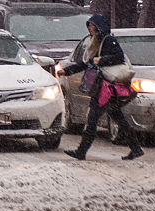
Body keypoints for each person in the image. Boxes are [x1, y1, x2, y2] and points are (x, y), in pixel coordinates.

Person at [60, 13, 143, 161]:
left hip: (106, 88)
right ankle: (136, 148)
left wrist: (101, 60)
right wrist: (66, 71)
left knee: (92, 119)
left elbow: (119, 57)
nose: (89, 28)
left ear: (99, 26)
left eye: (91, 25)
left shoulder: (108, 40)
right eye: (89, 26)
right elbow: (87, 64)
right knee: (119, 118)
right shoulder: (95, 42)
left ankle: (81, 151)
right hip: (104, 86)